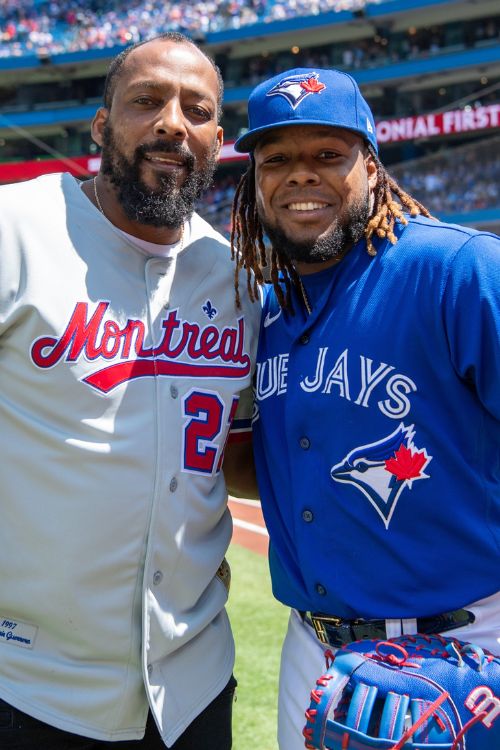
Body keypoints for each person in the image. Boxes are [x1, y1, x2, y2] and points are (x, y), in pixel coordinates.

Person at [0, 32, 260, 750]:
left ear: (217, 138)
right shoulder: (14, 229)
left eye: (197, 109)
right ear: (100, 125)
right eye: (146, 101)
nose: (172, 122)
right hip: (30, 685)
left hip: (194, 685)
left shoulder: (236, 278)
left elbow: (241, 456)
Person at [230, 67, 500, 749]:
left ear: (373, 169)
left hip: (470, 641)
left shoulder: (458, 271)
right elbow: (279, 464)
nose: (300, 176)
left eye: (327, 155)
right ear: (253, 182)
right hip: (313, 652)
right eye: (277, 160)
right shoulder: (265, 312)